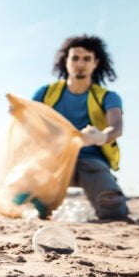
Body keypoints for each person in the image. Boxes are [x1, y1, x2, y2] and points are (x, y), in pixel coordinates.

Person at [31, 35, 129, 220]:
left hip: (91, 160)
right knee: (24, 202)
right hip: (52, 161)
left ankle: (108, 192)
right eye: (75, 58)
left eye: (86, 58)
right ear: (65, 61)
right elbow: (30, 121)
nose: (80, 63)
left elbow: (116, 127)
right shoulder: (45, 93)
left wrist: (100, 137)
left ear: (96, 62)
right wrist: (20, 112)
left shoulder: (107, 96)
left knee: (114, 210)